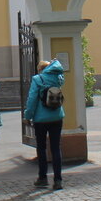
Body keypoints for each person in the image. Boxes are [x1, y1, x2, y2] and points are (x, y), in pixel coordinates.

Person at [24, 59, 66, 190]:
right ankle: (58, 180)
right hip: (57, 116)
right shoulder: (58, 78)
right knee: (55, 148)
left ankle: (43, 178)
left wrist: (28, 116)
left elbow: (32, 99)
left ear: (40, 69)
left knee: (41, 148)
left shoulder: (38, 79)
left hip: (40, 119)